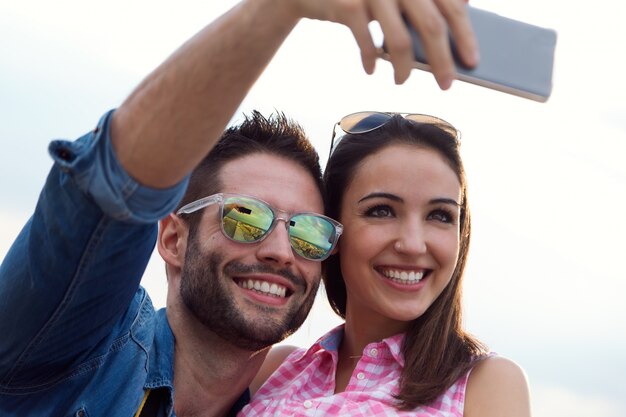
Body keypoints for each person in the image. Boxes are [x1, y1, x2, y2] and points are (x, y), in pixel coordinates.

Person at [0, 0, 480, 415]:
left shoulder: (282, 402)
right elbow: (115, 187)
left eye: (308, 232)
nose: (280, 250)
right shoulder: (79, 344)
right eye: (246, 216)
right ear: (172, 238)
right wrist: (276, 11)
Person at [240, 112, 532, 416]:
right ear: (332, 231)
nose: (413, 244)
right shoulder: (274, 367)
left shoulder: (487, 382)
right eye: (382, 211)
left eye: (440, 215)